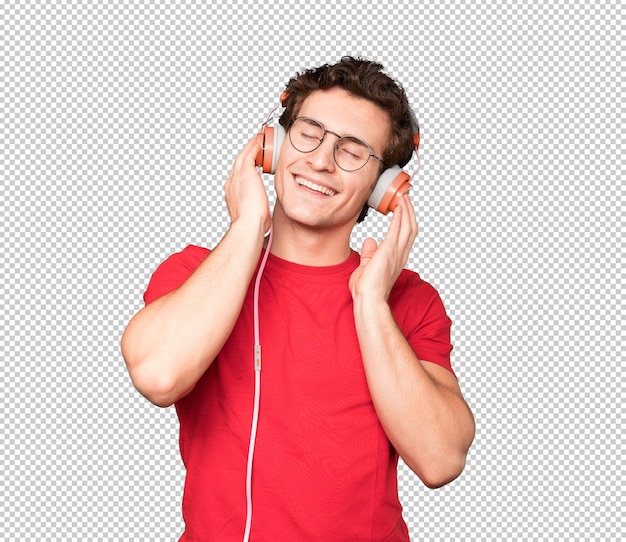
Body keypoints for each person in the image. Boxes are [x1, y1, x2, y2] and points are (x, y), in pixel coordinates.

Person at [121, 56, 475, 541]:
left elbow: (441, 459)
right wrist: (247, 225)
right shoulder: (194, 273)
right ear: (274, 146)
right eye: (310, 132)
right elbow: (158, 376)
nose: (322, 160)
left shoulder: (410, 302)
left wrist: (371, 303)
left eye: (354, 151)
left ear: (382, 189)